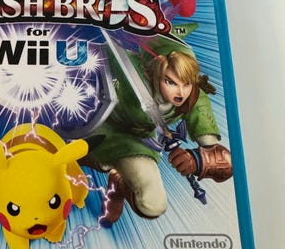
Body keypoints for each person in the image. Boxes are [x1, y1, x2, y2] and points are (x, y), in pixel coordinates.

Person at [85, 36, 233, 223]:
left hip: (135, 143)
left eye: (186, 83)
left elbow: (222, 159)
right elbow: (101, 47)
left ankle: (120, 184)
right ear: (154, 73)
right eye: (171, 82)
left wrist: (195, 160)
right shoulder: (129, 68)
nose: (181, 92)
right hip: (99, 122)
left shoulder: (194, 98)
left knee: (153, 204)